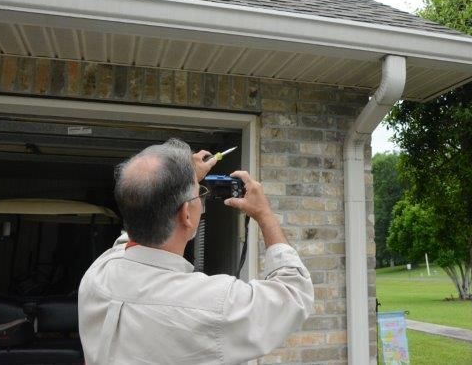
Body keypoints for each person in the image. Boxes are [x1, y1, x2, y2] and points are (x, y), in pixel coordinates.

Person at [78, 138, 314, 364]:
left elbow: (136, 224)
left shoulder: (97, 273)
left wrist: (181, 180)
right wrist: (265, 214)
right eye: (200, 193)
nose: (201, 199)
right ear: (186, 215)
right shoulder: (215, 304)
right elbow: (294, 295)